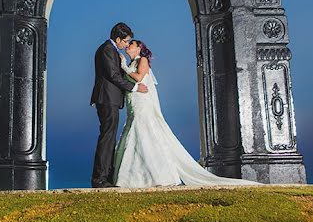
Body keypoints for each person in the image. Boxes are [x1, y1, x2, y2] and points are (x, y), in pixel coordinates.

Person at [112, 39, 261, 188]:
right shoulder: (132, 63)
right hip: (134, 101)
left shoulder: (142, 60)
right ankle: (135, 176)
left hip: (143, 102)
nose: (128, 45)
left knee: (143, 129)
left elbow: (138, 77)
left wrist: (123, 66)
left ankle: (158, 175)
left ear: (138, 49)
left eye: (131, 44)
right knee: (135, 130)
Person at [90, 22, 149, 188]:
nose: (126, 45)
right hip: (107, 98)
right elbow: (113, 75)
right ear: (118, 39)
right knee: (107, 138)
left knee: (109, 138)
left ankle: (106, 177)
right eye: (125, 41)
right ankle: (100, 179)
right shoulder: (107, 49)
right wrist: (135, 87)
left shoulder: (112, 50)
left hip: (111, 99)